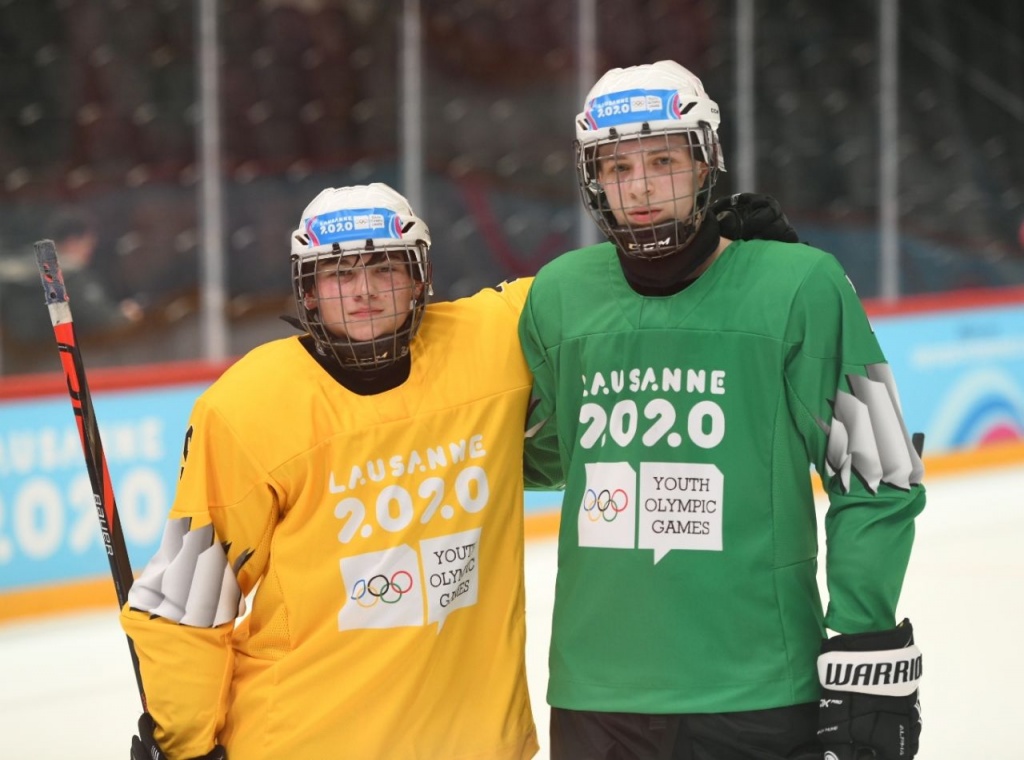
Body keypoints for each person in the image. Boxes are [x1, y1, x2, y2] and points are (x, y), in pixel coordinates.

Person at [518, 61, 926, 760]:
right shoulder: (557, 294)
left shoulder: (803, 285)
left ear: (706, 165)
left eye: (664, 160)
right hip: (596, 694)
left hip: (761, 688)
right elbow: (542, 455)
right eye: (618, 167)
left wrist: (863, 638)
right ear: (594, 179)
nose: (641, 186)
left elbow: (879, 472)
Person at [121, 183, 540, 760]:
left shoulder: (493, 343)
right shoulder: (248, 405)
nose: (362, 292)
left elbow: (595, 294)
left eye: (384, 268)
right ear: (310, 291)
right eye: (338, 274)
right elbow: (190, 597)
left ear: (420, 277)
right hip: (300, 739)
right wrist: (184, 745)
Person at [0, 208, 143, 348]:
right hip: (64, 358)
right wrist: (124, 315)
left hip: (20, 359)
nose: (90, 254)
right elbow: (102, 321)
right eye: (88, 246)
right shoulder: (71, 278)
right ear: (72, 242)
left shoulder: (14, 273)